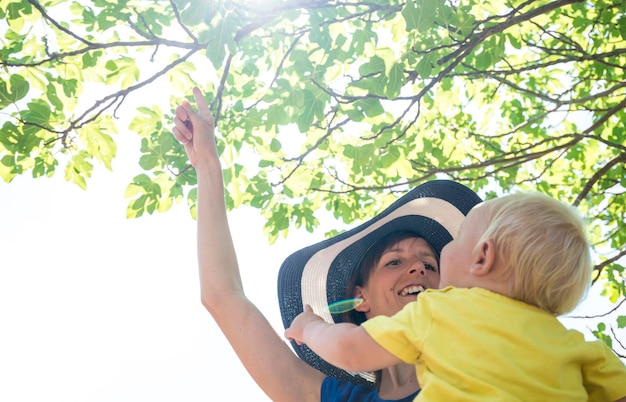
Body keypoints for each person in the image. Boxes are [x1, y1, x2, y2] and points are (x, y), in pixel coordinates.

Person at [172, 87, 483, 401]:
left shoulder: (487, 364)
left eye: (430, 265)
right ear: (360, 298)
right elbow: (222, 297)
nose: (418, 267)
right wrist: (207, 166)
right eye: (394, 262)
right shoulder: (339, 398)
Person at [285, 191, 626, 401]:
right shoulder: (579, 348)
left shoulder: (442, 311)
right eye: (395, 261)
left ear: (482, 258)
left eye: (459, 237)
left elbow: (350, 349)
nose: (418, 268)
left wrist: (310, 327)